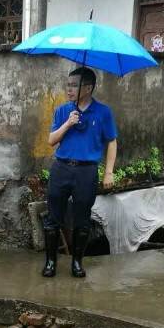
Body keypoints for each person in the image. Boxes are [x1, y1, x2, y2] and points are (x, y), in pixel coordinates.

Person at [42, 67, 117, 278]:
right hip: (62, 168)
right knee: (53, 217)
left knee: (82, 219)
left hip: (87, 171)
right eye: (68, 85)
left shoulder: (103, 112)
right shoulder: (63, 111)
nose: (69, 89)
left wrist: (109, 172)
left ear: (88, 88)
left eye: (74, 85)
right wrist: (68, 123)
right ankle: (50, 263)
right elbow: (51, 141)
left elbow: (111, 141)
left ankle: (76, 262)